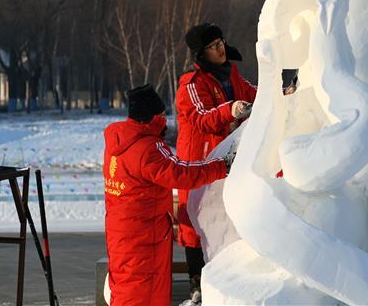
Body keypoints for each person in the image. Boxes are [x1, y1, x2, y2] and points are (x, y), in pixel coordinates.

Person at [103, 84, 233, 306]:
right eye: (162, 114)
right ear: (151, 116)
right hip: (145, 237)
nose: (165, 119)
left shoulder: (117, 143)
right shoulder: (148, 147)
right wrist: (221, 166)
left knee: (127, 288)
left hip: (121, 234)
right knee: (144, 292)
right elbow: (180, 173)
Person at [176, 23, 256, 305]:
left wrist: (280, 91)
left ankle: (226, 278)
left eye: (221, 41)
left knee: (226, 215)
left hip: (226, 160)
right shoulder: (192, 84)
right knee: (193, 222)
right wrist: (230, 109)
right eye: (213, 45)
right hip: (198, 161)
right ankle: (196, 285)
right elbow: (201, 117)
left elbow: (252, 93)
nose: (220, 48)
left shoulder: (231, 74)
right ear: (201, 53)